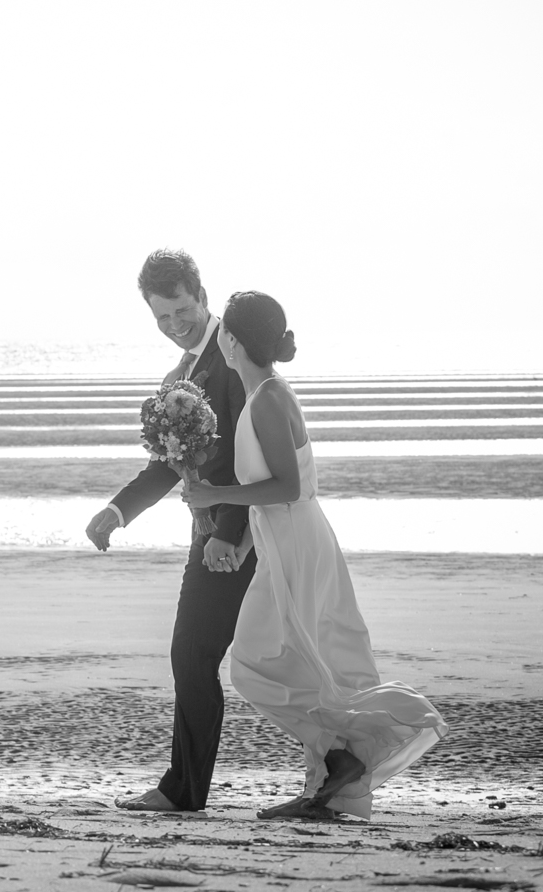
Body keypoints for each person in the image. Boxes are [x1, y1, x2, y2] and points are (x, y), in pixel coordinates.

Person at [185, 291, 449, 819]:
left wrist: (215, 496)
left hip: (297, 545)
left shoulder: (265, 400)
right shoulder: (269, 393)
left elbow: (285, 488)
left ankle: (334, 759)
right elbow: (278, 493)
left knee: (253, 669)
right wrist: (240, 545)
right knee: (307, 663)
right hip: (285, 540)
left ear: (232, 340)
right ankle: (323, 789)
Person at [86, 249, 255, 814]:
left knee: (194, 653)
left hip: (238, 537)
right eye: (162, 317)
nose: (174, 325)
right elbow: (169, 462)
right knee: (199, 656)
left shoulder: (231, 358)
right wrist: (119, 510)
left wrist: (230, 534)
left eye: (181, 310)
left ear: (202, 296)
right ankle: (185, 788)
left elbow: (244, 455)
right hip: (204, 534)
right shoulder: (180, 375)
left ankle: (183, 791)